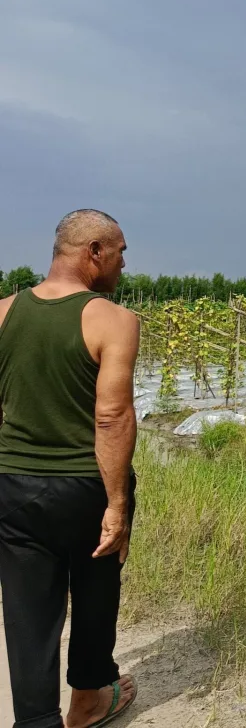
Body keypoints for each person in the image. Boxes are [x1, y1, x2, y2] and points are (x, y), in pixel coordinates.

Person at [0, 210, 139, 728]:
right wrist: (118, 503)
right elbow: (111, 416)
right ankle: (87, 702)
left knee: (27, 611)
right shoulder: (113, 319)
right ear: (94, 252)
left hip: (14, 484)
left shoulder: (5, 313)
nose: (125, 263)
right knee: (97, 592)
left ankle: (36, 720)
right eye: (121, 251)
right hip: (85, 487)